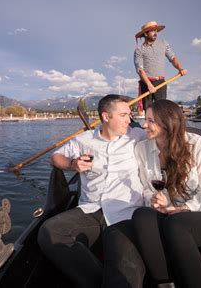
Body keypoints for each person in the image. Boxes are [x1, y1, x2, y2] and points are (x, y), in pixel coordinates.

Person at [38, 94, 147, 288]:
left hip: (126, 213)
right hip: (91, 211)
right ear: (106, 117)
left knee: (125, 270)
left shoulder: (137, 136)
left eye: (129, 114)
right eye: (123, 115)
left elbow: (168, 138)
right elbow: (55, 158)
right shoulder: (84, 140)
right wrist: (72, 164)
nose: (129, 120)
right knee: (49, 232)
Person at [131, 99, 201, 288]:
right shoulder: (141, 149)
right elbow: (146, 188)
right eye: (146, 119)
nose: (145, 125)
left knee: (177, 223)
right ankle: (166, 284)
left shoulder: (195, 144)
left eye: (151, 120)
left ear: (168, 122)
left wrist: (184, 208)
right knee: (142, 215)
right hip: (169, 214)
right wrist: (155, 199)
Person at [134, 21, 187, 113]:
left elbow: (173, 57)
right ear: (146, 34)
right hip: (146, 83)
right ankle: (150, 127)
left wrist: (180, 69)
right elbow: (140, 69)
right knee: (149, 112)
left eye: (156, 31)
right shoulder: (139, 50)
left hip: (160, 83)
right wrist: (149, 85)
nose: (156, 33)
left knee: (162, 110)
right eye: (152, 31)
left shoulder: (163, 43)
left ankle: (162, 127)